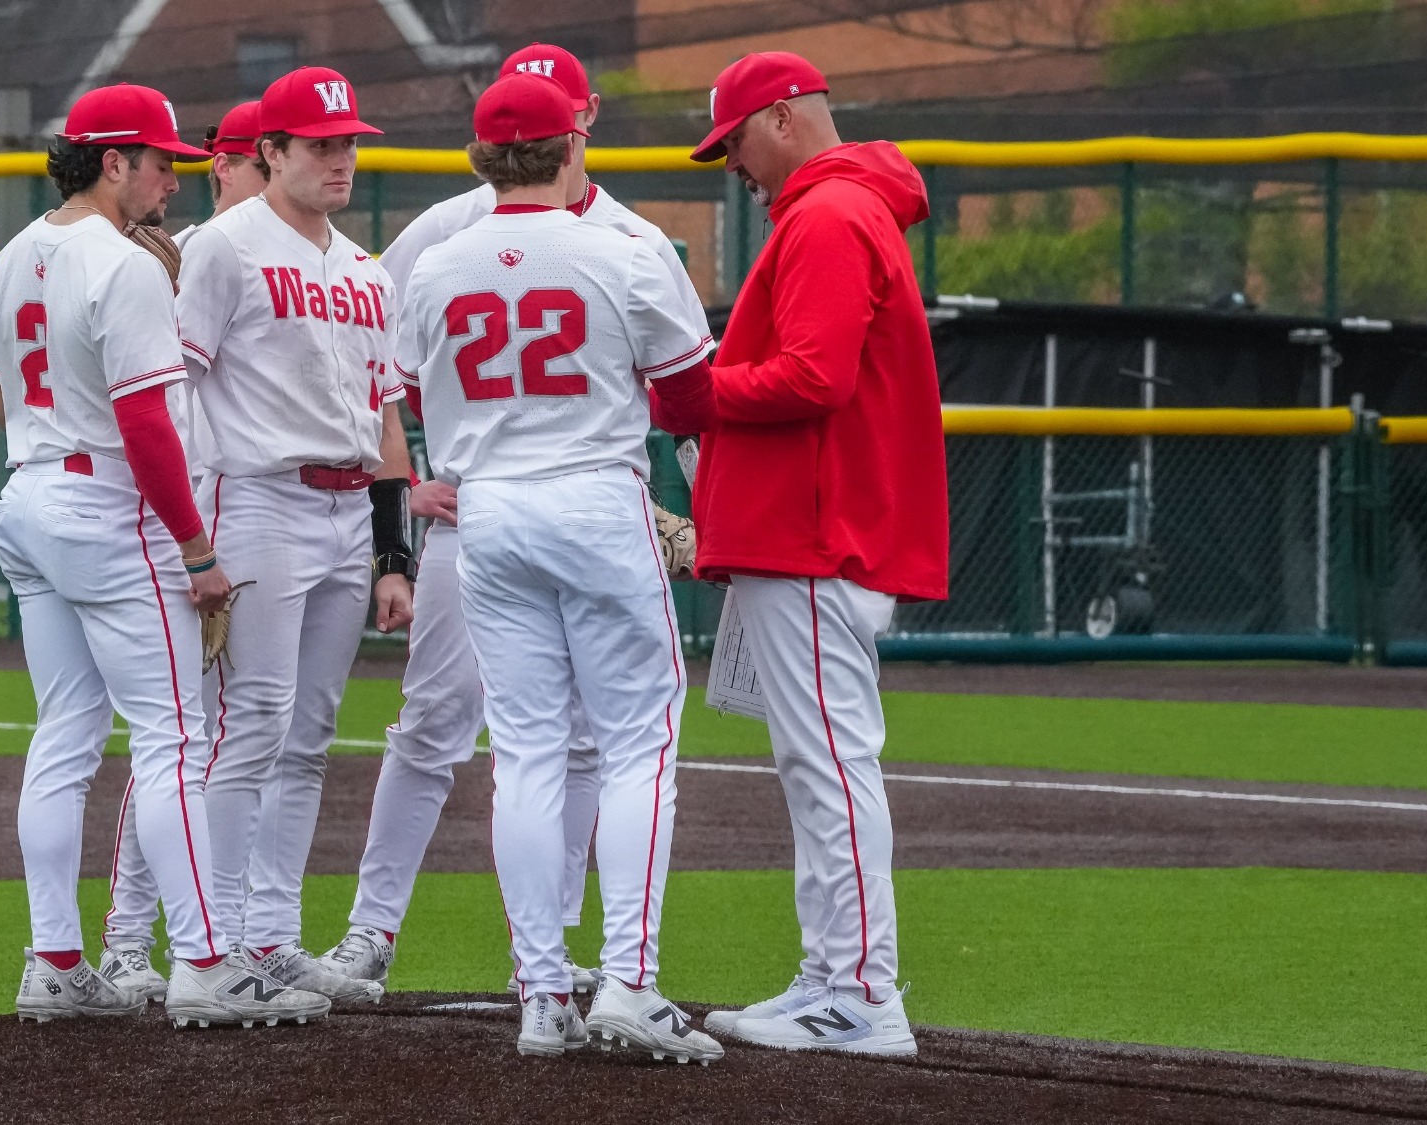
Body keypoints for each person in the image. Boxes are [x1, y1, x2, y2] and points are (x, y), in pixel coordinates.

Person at [317, 44, 714, 997]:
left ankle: (547, 965)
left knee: (550, 748)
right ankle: (379, 933)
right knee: (459, 732)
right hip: (546, 508)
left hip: (496, 514)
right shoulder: (610, 244)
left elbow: (396, 369)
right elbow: (691, 400)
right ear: (571, 132)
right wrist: (404, 486)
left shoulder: (483, 240)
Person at [0, 81, 330, 1030]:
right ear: (112, 162)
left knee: (62, 739)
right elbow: (145, 421)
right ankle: (205, 962)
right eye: (162, 161)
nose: (174, 179)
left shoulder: (15, 255)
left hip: (27, 494)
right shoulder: (125, 264)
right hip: (107, 507)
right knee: (175, 741)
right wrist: (194, 547)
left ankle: (55, 959)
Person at [683, 52, 948, 1057]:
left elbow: (813, 377)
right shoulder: (836, 208)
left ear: (785, 118)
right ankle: (832, 976)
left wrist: (698, 391)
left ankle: (862, 993)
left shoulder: (830, 215)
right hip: (804, 531)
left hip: (812, 531)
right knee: (815, 765)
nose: (731, 166)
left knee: (829, 765)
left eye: (735, 141)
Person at [173, 65, 417, 1003]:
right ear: (268, 152)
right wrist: (193, 531)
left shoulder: (364, 269)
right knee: (253, 726)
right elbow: (178, 389)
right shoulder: (224, 248)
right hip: (260, 499)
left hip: (347, 511)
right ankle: (217, 943)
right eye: (320, 144)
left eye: (350, 142)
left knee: (309, 734)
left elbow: (386, 414)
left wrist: (394, 552)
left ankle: (272, 936)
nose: (341, 158)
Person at [96, 100, 268, 1006]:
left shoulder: (242, 252)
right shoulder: (181, 254)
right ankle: (128, 943)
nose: (225, 174)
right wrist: (189, 539)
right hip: (174, 523)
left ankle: (232, 933)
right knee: (175, 740)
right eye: (233, 160)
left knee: (222, 739)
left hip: (231, 512)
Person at [173, 100, 267, 251]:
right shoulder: (181, 253)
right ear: (225, 168)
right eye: (267, 170)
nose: (281, 182)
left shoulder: (307, 248)